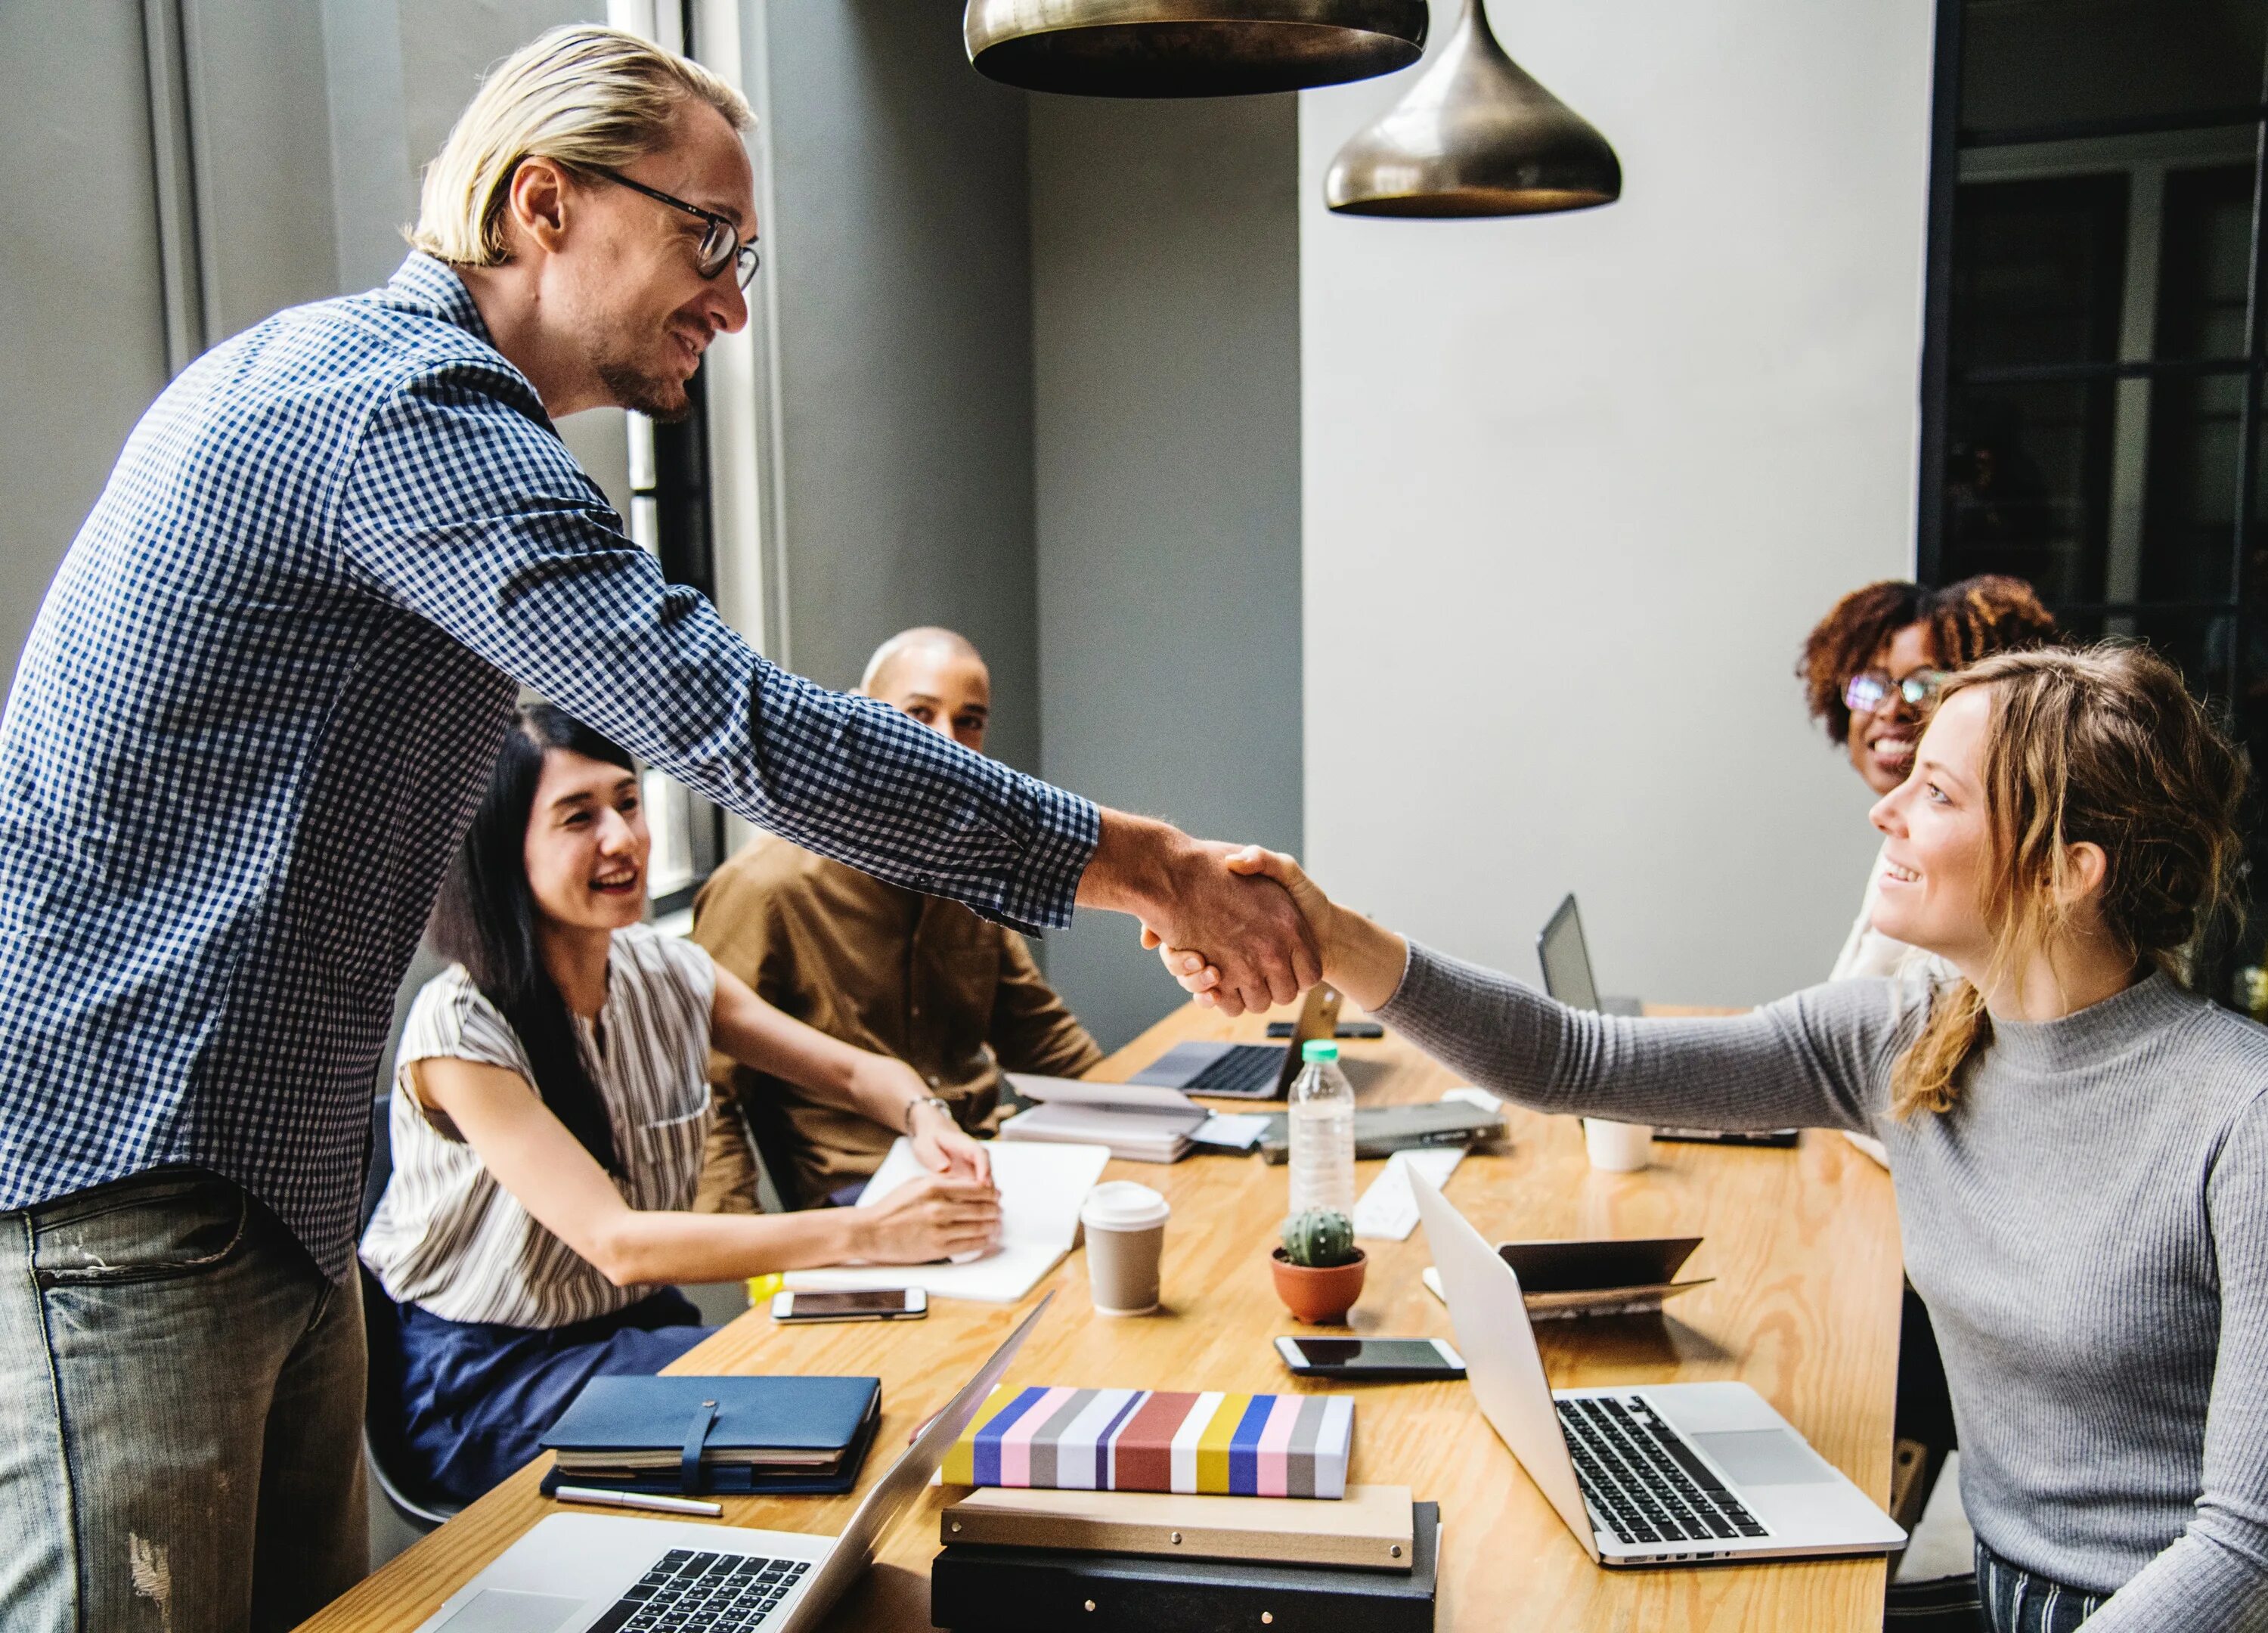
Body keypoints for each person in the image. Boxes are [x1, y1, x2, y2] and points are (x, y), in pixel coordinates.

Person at [0, 26, 1309, 1631]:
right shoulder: (398, 407)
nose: (736, 300)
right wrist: (1152, 863)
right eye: (710, 239)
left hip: (263, 1192)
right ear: (542, 204)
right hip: (132, 1186)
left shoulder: (417, 414)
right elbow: (745, 725)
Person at [1163, 646, 2268, 1632]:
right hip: (1994, 1587)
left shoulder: (2239, 1113)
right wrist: (1331, 937)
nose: (1886, 809)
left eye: (1936, 792)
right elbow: (1571, 1061)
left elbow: (2245, 1551)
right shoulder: (1905, 1036)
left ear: (2070, 870)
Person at [361, 706, 996, 1500]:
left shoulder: (664, 970)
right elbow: (619, 1243)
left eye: (627, 803)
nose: (622, 839)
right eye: (577, 818)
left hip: (631, 1333)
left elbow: (853, 1076)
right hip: (487, 1381)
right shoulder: (459, 1029)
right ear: (500, 848)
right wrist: (872, 1234)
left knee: (868, 1379)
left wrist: (923, 1117)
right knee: (832, 1415)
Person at [692, 627, 1105, 1210]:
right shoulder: (766, 888)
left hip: (989, 1165)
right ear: (860, 720)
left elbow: (1039, 1036)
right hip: (860, 1200)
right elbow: (706, 1092)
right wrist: (754, 1258)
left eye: (969, 721)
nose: (947, 744)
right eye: (918, 713)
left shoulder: (966, 868)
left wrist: (1140, 1128)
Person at [1798, 575, 2056, 983]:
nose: (1891, 709)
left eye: (1928, 685)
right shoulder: (1898, 841)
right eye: (1871, 684)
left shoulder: (1978, 875)